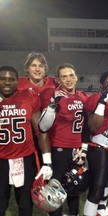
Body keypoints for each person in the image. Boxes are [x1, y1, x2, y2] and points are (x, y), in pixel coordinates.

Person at [0, 66, 51, 216]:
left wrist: (47, 162)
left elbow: (40, 131)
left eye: (11, 79)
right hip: (1, 160)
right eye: (3, 79)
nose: (7, 82)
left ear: (18, 81)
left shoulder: (28, 96)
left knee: (25, 203)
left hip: (25, 159)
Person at [38, 63, 88, 216]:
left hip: (77, 150)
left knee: (75, 186)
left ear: (76, 77)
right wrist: (53, 106)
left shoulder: (83, 96)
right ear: (58, 79)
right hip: (59, 148)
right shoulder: (54, 95)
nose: (68, 79)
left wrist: (84, 148)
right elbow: (43, 127)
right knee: (56, 189)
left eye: (71, 75)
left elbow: (86, 127)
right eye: (64, 76)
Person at [83, 71, 108, 216]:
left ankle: (101, 209)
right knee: (97, 187)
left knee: (107, 182)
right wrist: (101, 102)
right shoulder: (95, 98)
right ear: (101, 84)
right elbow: (93, 126)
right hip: (99, 149)